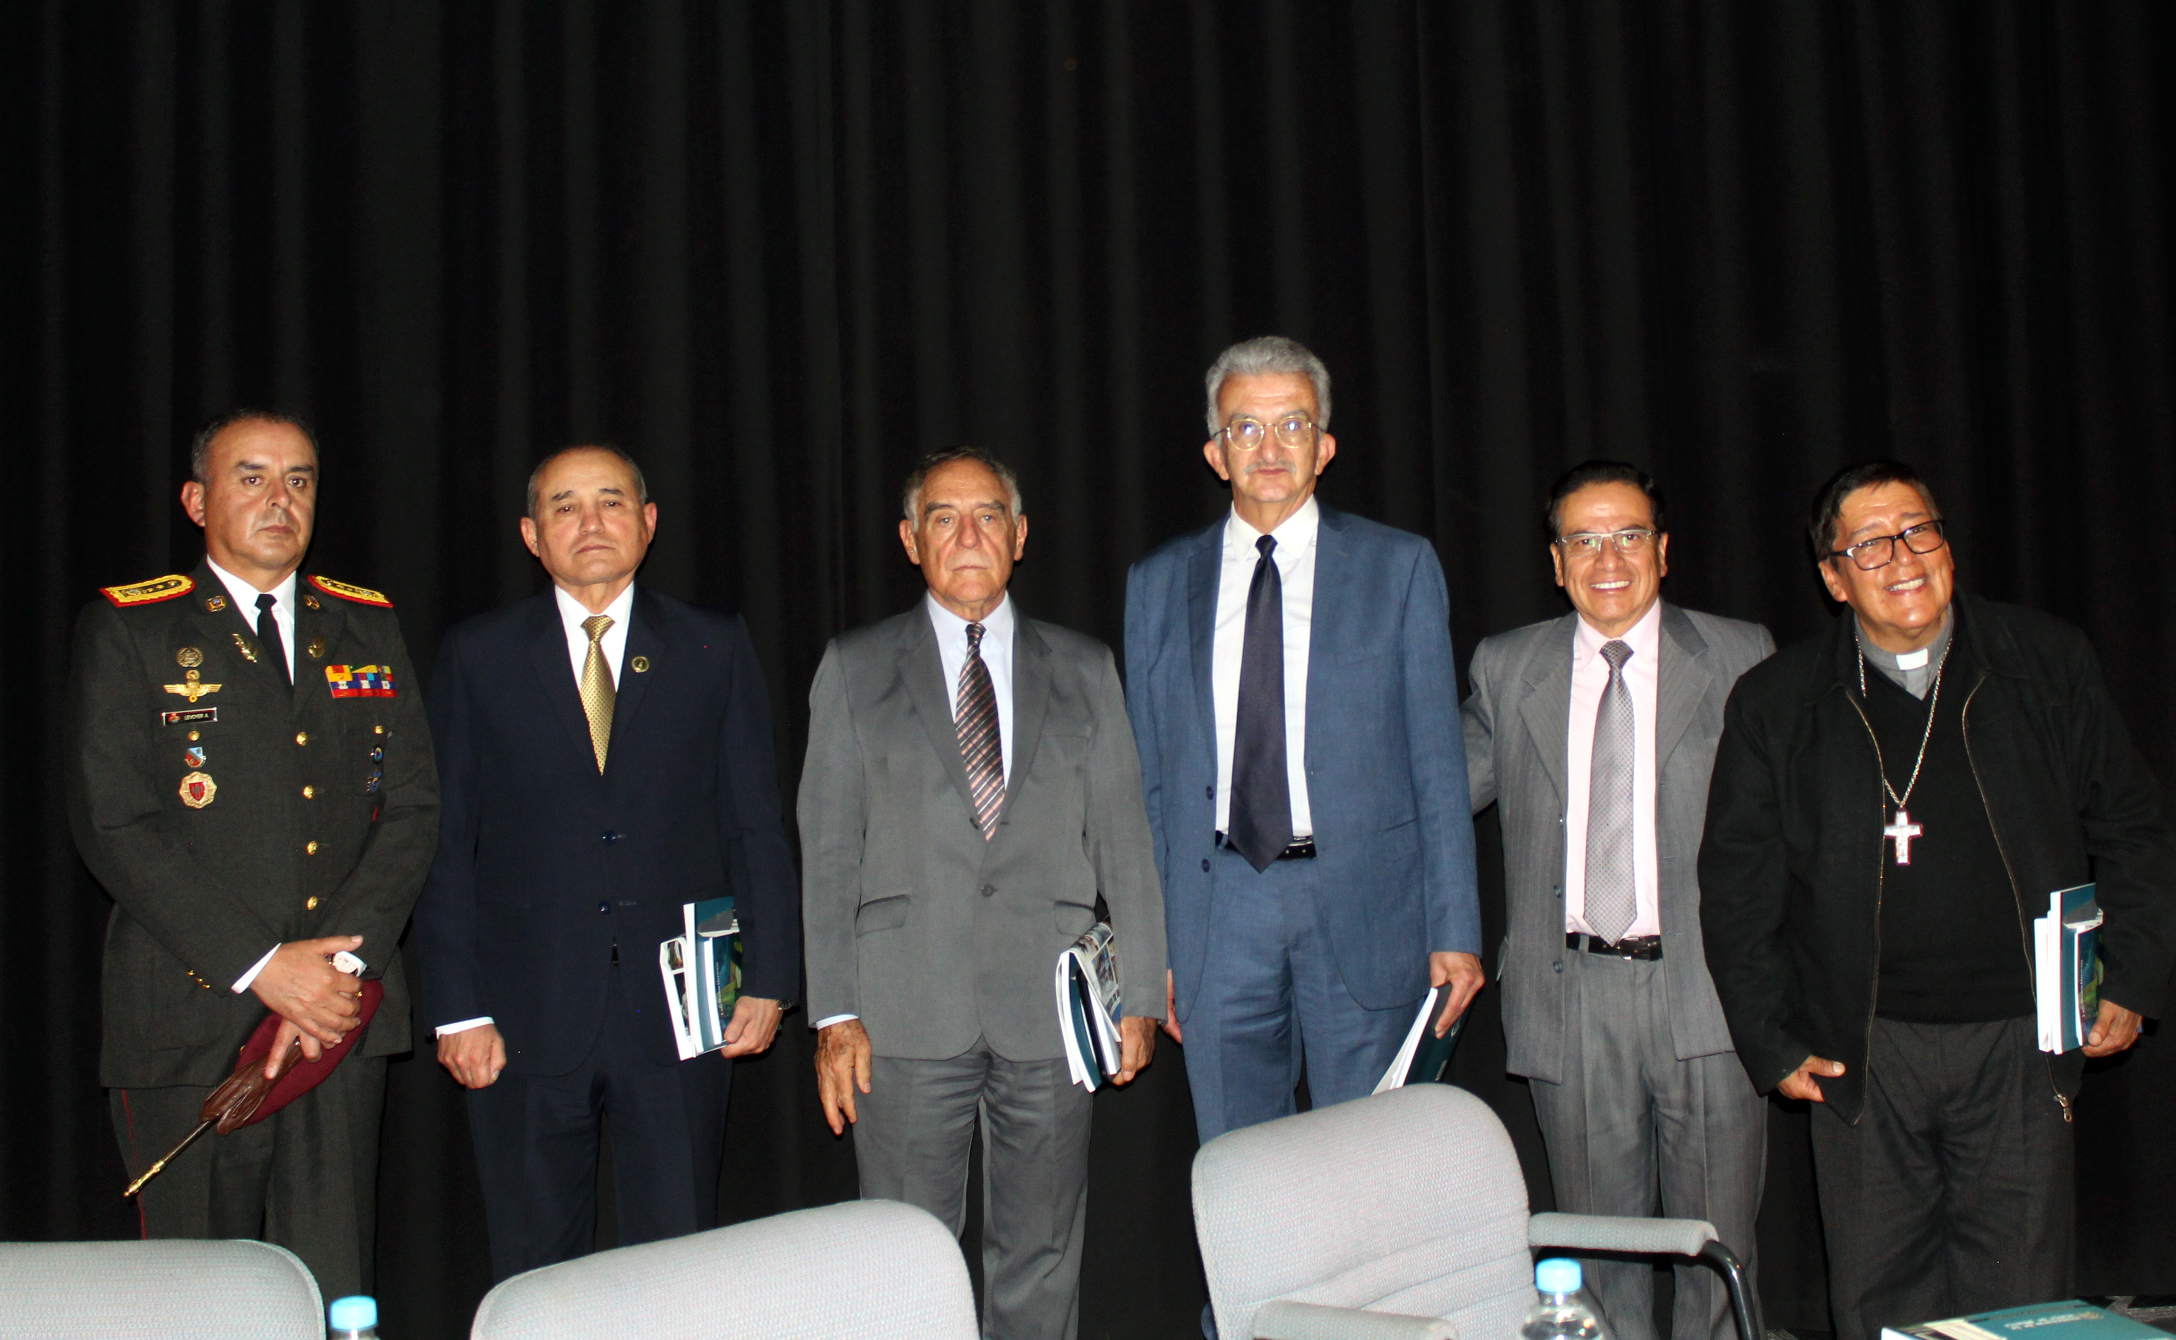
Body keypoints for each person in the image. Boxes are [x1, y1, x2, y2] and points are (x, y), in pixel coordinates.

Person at [1699, 461, 2176, 1340]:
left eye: (1918, 530)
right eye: (1869, 544)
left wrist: (2135, 975)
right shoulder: (1776, 701)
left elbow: (2135, 828)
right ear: (1833, 579)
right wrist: (1770, 1040)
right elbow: (1737, 886)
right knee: (1882, 1299)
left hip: (2020, 1041)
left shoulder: (2045, 660)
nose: (1902, 557)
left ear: (1947, 545)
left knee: (2022, 1300)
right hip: (1863, 1052)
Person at [64, 411, 440, 1300]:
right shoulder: (132, 630)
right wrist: (265, 967)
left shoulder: (365, 628)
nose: (280, 500)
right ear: (197, 501)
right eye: (253, 478)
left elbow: (414, 807)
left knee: (331, 1286)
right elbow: (112, 822)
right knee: (195, 1296)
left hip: (335, 1022)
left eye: (300, 480)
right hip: (188, 1026)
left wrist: (336, 969)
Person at [800, 447, 1166, 1340]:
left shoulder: (1085, 667)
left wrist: (1144, 995)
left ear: (1021, 534)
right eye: (944, 518)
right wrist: (833, 1012)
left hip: (1054, 1012)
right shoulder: (852, 667)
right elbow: (826, 851)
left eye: (988, 516)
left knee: (1041, 1252)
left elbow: (1124, 835)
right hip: (901, 1009)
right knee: (902, 1252)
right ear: (909, 540)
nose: (968, 535)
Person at [410, 444, 799, 1281]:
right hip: (521, 1023)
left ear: (648, 523)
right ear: (530, 534)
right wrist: (455, 1010)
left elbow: (754, 825)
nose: (591, 522)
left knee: (677, 1267)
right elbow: (442, 843)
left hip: (685, 1016)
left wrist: (769, 979)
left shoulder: (712, 646)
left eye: (612, 501)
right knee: (535, 1272)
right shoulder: (477, 657)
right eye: (565, 506)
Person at [1124, 335, 1483, 1150]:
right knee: (1241, 1171)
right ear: (1215, 453)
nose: (1269, 446)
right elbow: (1145, 783)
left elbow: (1437, 762)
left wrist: (1454, 926)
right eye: (1245, 428)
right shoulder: (1156, 584)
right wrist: (1152, 948)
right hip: (1217, 913)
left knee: (1370, 1170)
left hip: (1365, 905)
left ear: (1324, 445)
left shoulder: (1399, 568)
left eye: (1292, 424)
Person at [1461, 462, 1773, 1340]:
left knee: (1720, 1251)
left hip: (1709, 992)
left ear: (1663, 551)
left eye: (1629, 535)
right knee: (1599, 1263)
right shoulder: (1507, 664)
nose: (1608, 557)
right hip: (1572, 997)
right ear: (1555, 562)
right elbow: (1434, 796)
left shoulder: (1741, 654)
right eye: (1584, 539)